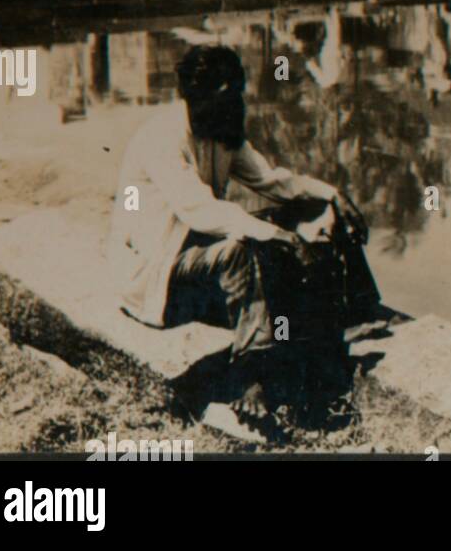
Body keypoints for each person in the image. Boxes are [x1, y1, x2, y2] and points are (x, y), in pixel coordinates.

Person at [108, 45, 380, 440]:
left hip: (201, 256)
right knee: (245, 249)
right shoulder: (161, 138)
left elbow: (271, 183)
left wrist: (329, 194)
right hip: (157, 272)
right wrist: (279, 236)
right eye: (222, 94)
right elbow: (199, 211)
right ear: (193, 96)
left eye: (235, 91)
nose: (232, 102)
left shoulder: (222, 128)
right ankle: (249, 377)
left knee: (300, 214)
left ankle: (355, 312)